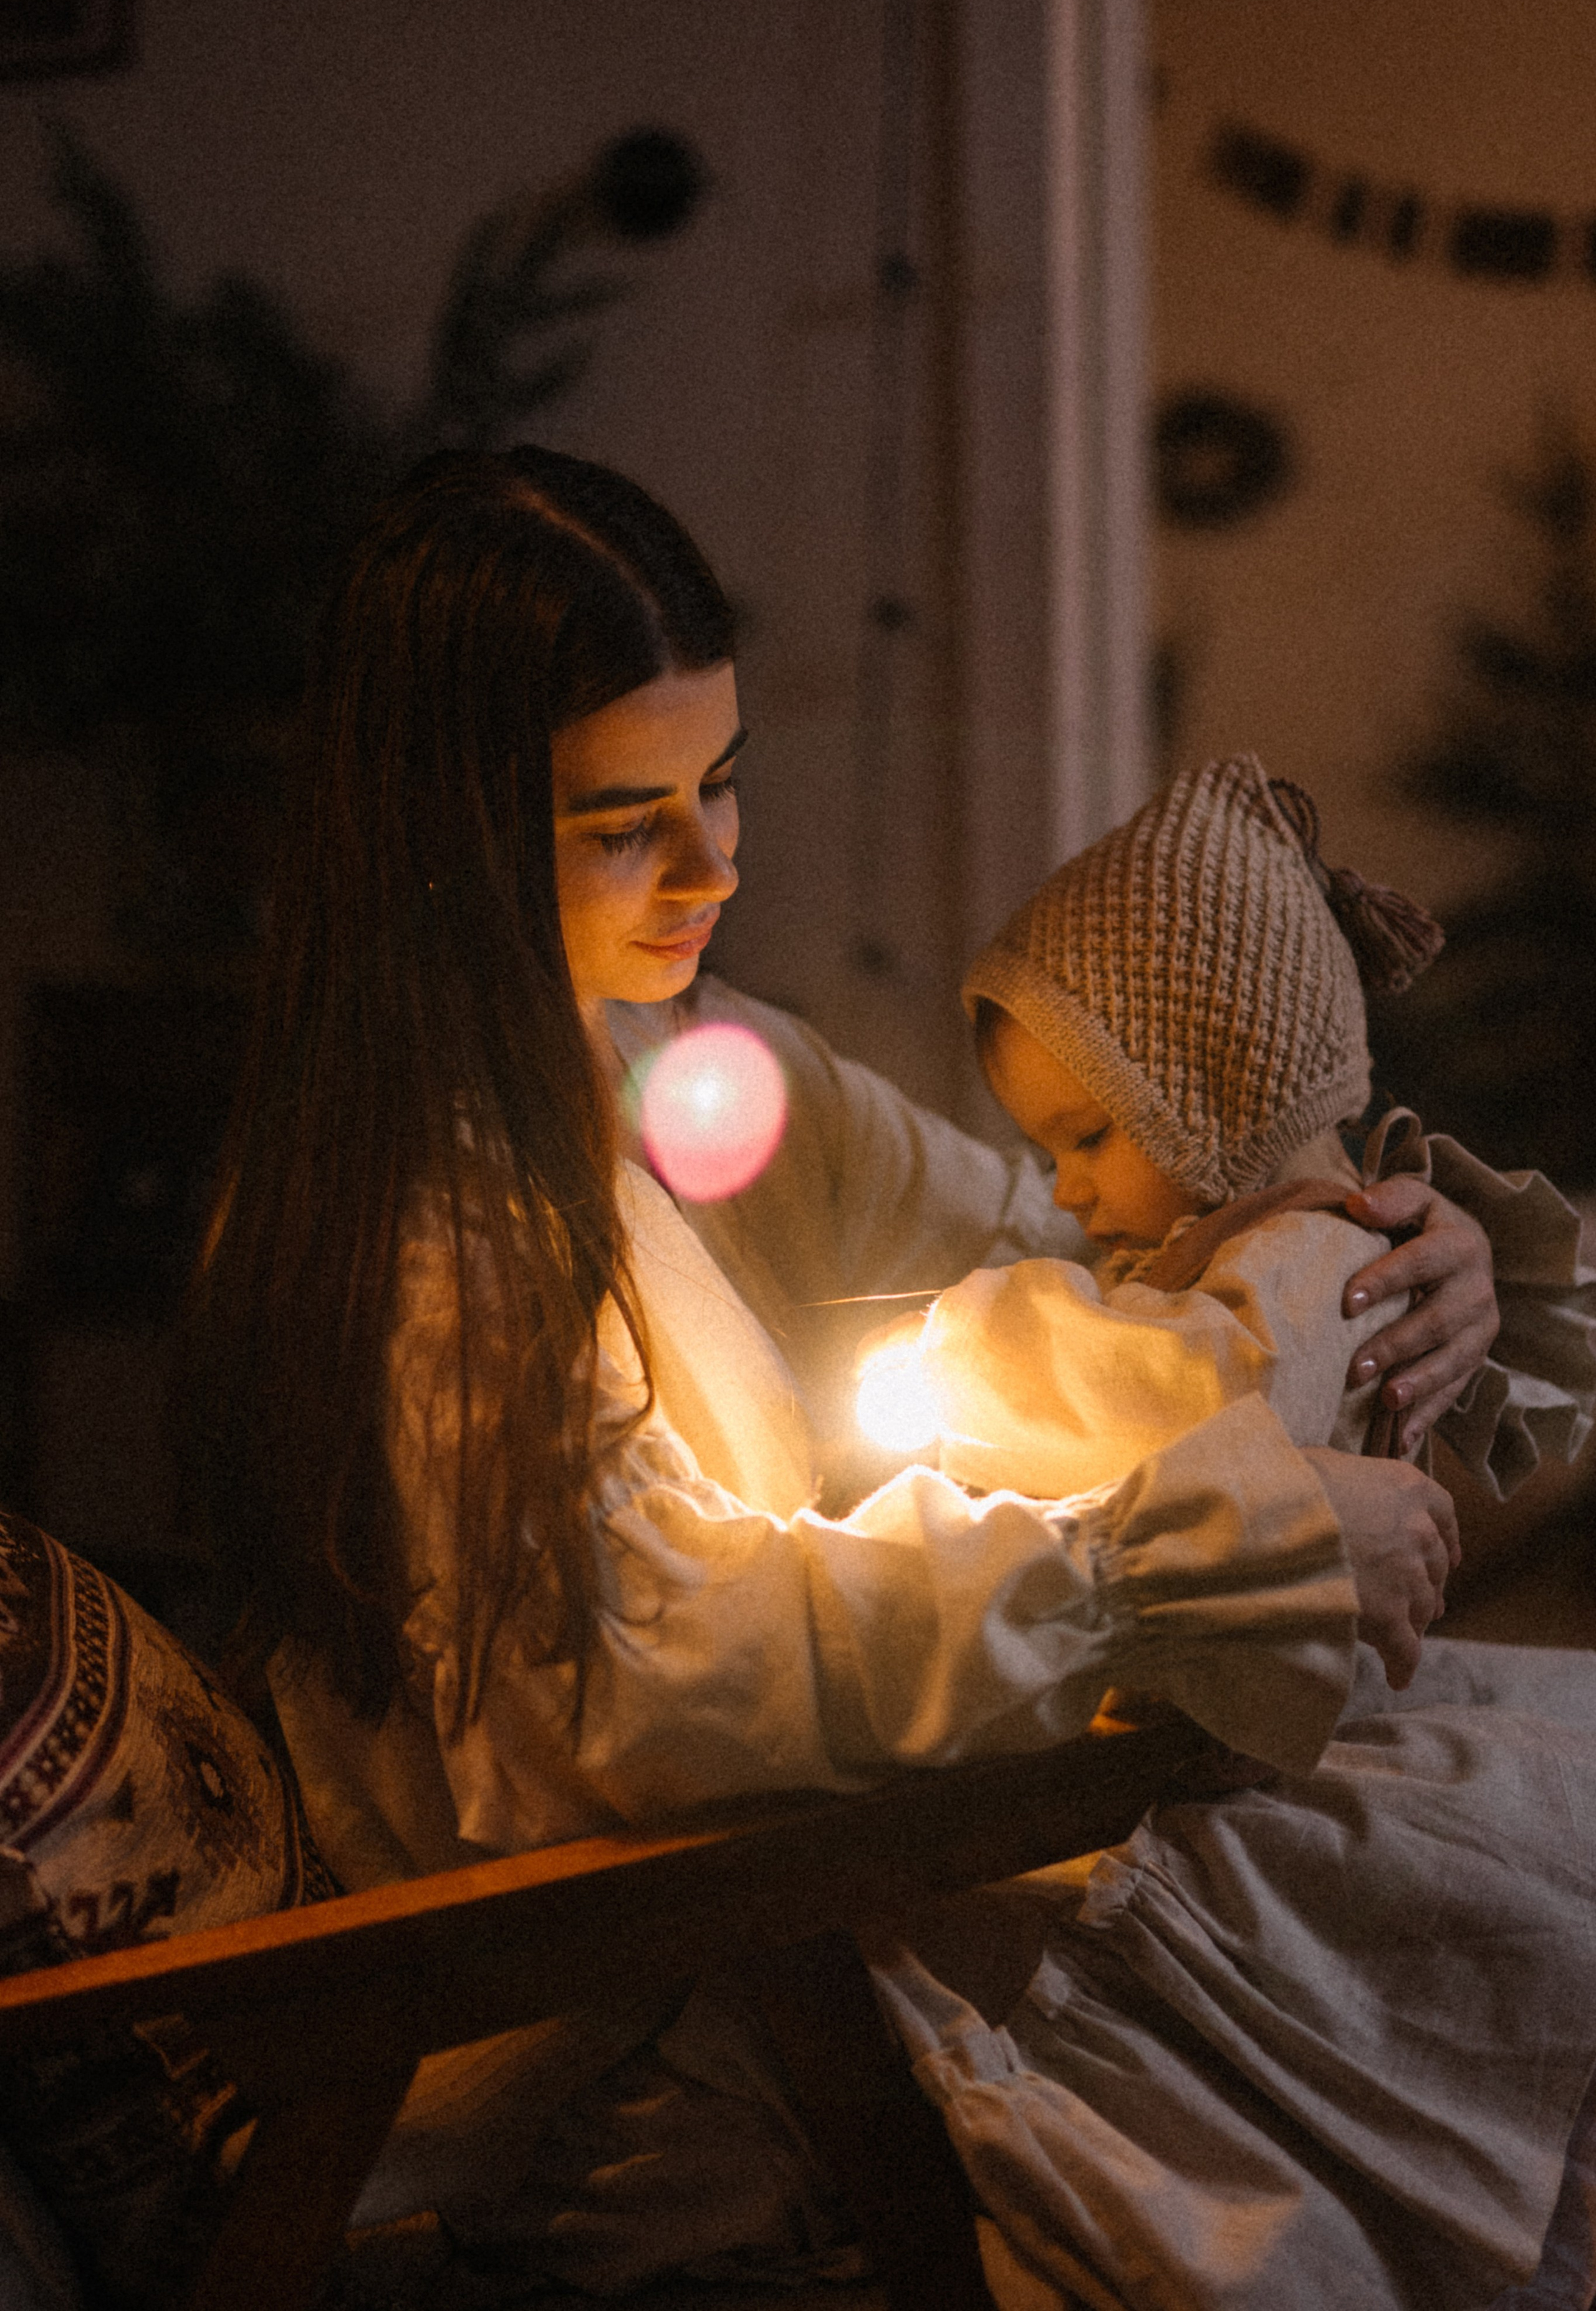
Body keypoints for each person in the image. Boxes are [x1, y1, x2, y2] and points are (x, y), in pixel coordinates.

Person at [187, 448, 1592, 2306]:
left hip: (825, 1880)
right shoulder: (449, 1240)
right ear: (444, 835)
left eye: (721, 779)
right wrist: (1183, 1556)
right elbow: (669, 1675)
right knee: (1498, 1911)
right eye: (623, 823)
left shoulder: (679, 1070)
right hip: (699, 2004)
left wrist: (1383, 1241)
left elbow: (1069, 1243)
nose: (714, 863)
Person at [914, 751, 1595, 1514]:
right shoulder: (1227, 1254)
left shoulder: (1315, 1261)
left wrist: (947, 1355)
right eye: (1051, 1154)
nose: (1065, 1192)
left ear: (1223, 1088)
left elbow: (1180, 1400)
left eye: (1090, 1139)